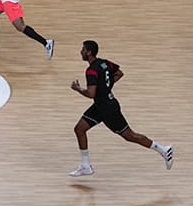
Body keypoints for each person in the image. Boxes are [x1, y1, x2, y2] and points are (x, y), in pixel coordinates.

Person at [68, 40, 173, 176]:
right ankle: (85, 166)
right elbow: (119, 73)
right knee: (79, 129)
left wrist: (77, 89)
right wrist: (106, 87)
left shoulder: (91, 71)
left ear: (89, 52)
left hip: (108, 109)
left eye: (83, 50)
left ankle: (164, 150)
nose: (80, 52)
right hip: (101, 105)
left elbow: (90, 94)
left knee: (130, 136)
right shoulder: (105, 63)